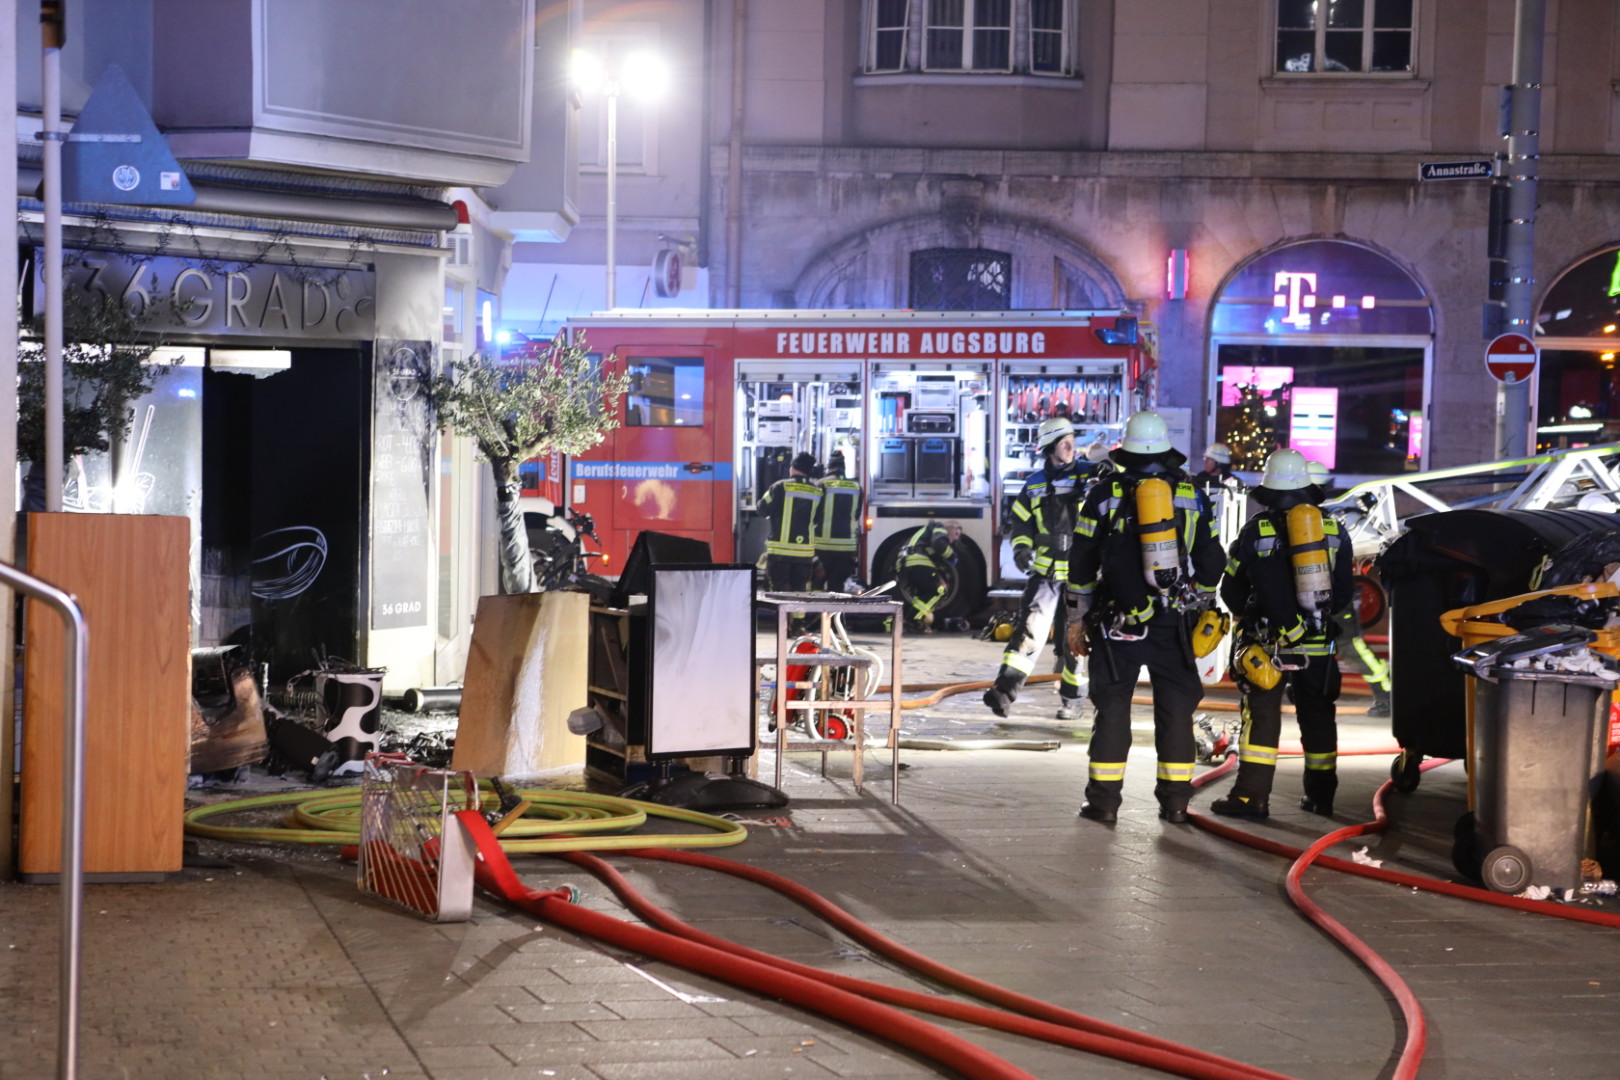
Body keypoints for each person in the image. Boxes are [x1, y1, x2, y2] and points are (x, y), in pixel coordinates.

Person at [1064, 410, 1225, 825]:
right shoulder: (1191, 494)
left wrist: (1076, 618)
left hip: (1119, 624)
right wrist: (1201, 601)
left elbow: (1081, 559)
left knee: (1113, 708)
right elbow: (1210, 557)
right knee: (1175, 713)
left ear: (1128, 453)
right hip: (1175, 622)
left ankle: (1103, 804)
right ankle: (1174, 804)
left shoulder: (1104, 493)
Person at [1213, 448, 1354, 819]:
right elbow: (1341, 595)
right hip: (1318, 645)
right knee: (1319, 718)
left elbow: (1231, 589)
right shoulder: (1335, 530)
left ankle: (1251, 798)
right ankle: (1321, 798)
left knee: (1261, 717)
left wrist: (1254, 614)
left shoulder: (1256, 530)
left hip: (1268, 643)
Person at [984, 417, 1088, 720]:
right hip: (1044, 574)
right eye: (1063, 441)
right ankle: (1002, 694)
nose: (1071, 446)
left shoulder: (1091, 476)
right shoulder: (1034, 484)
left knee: (1075, 640)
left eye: (1072, 440)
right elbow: (1021, 522)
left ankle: (1073, 699)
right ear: (1048, 447)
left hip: (1081, 574)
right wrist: (1020, 547)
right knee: (1027, 635)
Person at [1309, 459, 1391, 718]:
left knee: (1350, 649)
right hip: (1319, 593)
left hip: (1336, 594)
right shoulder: (1321, 512)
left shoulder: (1336, 514)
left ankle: (1386, 692)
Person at [757, 452, 823, 631]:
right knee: (800, 589)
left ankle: (783, 624)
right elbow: (819, 518)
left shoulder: (779, 487)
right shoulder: (818, 490)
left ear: (792, 468)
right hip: (804, 552)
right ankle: (798, 624)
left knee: (780, 588)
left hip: (780, 550)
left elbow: (762, 509)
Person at [896, 519, 961, 633]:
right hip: (917, 562)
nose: (956, 538)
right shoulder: (939, 526)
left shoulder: (927, 534)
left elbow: (934, 558)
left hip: (905, 565)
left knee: (923, 597)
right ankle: (911, 621)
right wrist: (952, 556)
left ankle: (916, 623)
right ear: (950, 528)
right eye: (956, 534)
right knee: (939, 591)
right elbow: (939, 545)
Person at [814, 450, 864, 593]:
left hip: (823, 546)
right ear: (844, 468)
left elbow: (814, 514)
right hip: (846, 547)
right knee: (837, 587)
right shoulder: (856, 486)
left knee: (817, 584)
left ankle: (816, 614)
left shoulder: (821, 484)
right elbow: (856, 515)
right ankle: (835, 614)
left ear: (829, 468)